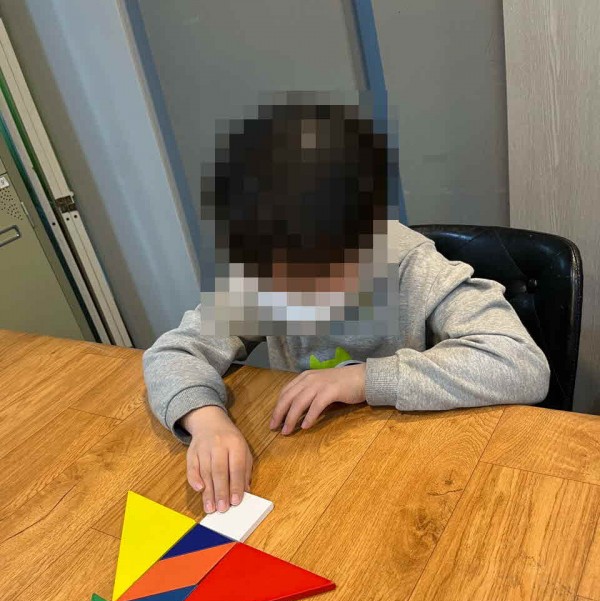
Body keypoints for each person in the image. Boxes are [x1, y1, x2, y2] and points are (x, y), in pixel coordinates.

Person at [143, 100, 550, 515]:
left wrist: (363, 379)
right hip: (309, 464)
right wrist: (206, 420)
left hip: (416, 465)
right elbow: (174, 351)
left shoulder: (412, 266)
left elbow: (521, 363)